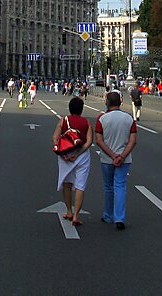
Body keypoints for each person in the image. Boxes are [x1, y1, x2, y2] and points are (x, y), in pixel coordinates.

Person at [94, 90, 137, 230]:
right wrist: (122, 156)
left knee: (108, 187)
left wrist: (113, 156)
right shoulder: (129, 118)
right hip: (124, 159)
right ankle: (120, 218)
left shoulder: (102, 119)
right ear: (120, 102)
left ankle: (108, 215)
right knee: (120, 187)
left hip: (107, 159)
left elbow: (99, 141)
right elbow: (133, 141)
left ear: (107, 102)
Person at [52, 97, 93, 227]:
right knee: (80, 186)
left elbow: (55, 138)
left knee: (66, 183)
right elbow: (89, 142)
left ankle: (69, 211)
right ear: (82, 109)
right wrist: (77, 154)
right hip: (82, 156)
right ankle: (76, 216)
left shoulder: (63, 120)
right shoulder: (86, 122)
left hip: (65, 155)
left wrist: (63, 153)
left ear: (69, 108)